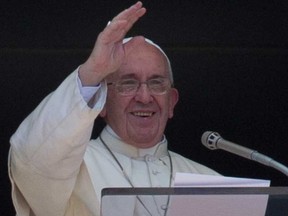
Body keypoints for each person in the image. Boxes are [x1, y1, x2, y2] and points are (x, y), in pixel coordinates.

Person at [8, 2, 220, 216]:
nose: (144, 97)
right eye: (128, 83)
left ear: (172, 102)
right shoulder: (71, 167)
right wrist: (93, 71)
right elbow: (31, 160)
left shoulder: (212, 184)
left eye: (157, 83)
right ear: (103, 101)